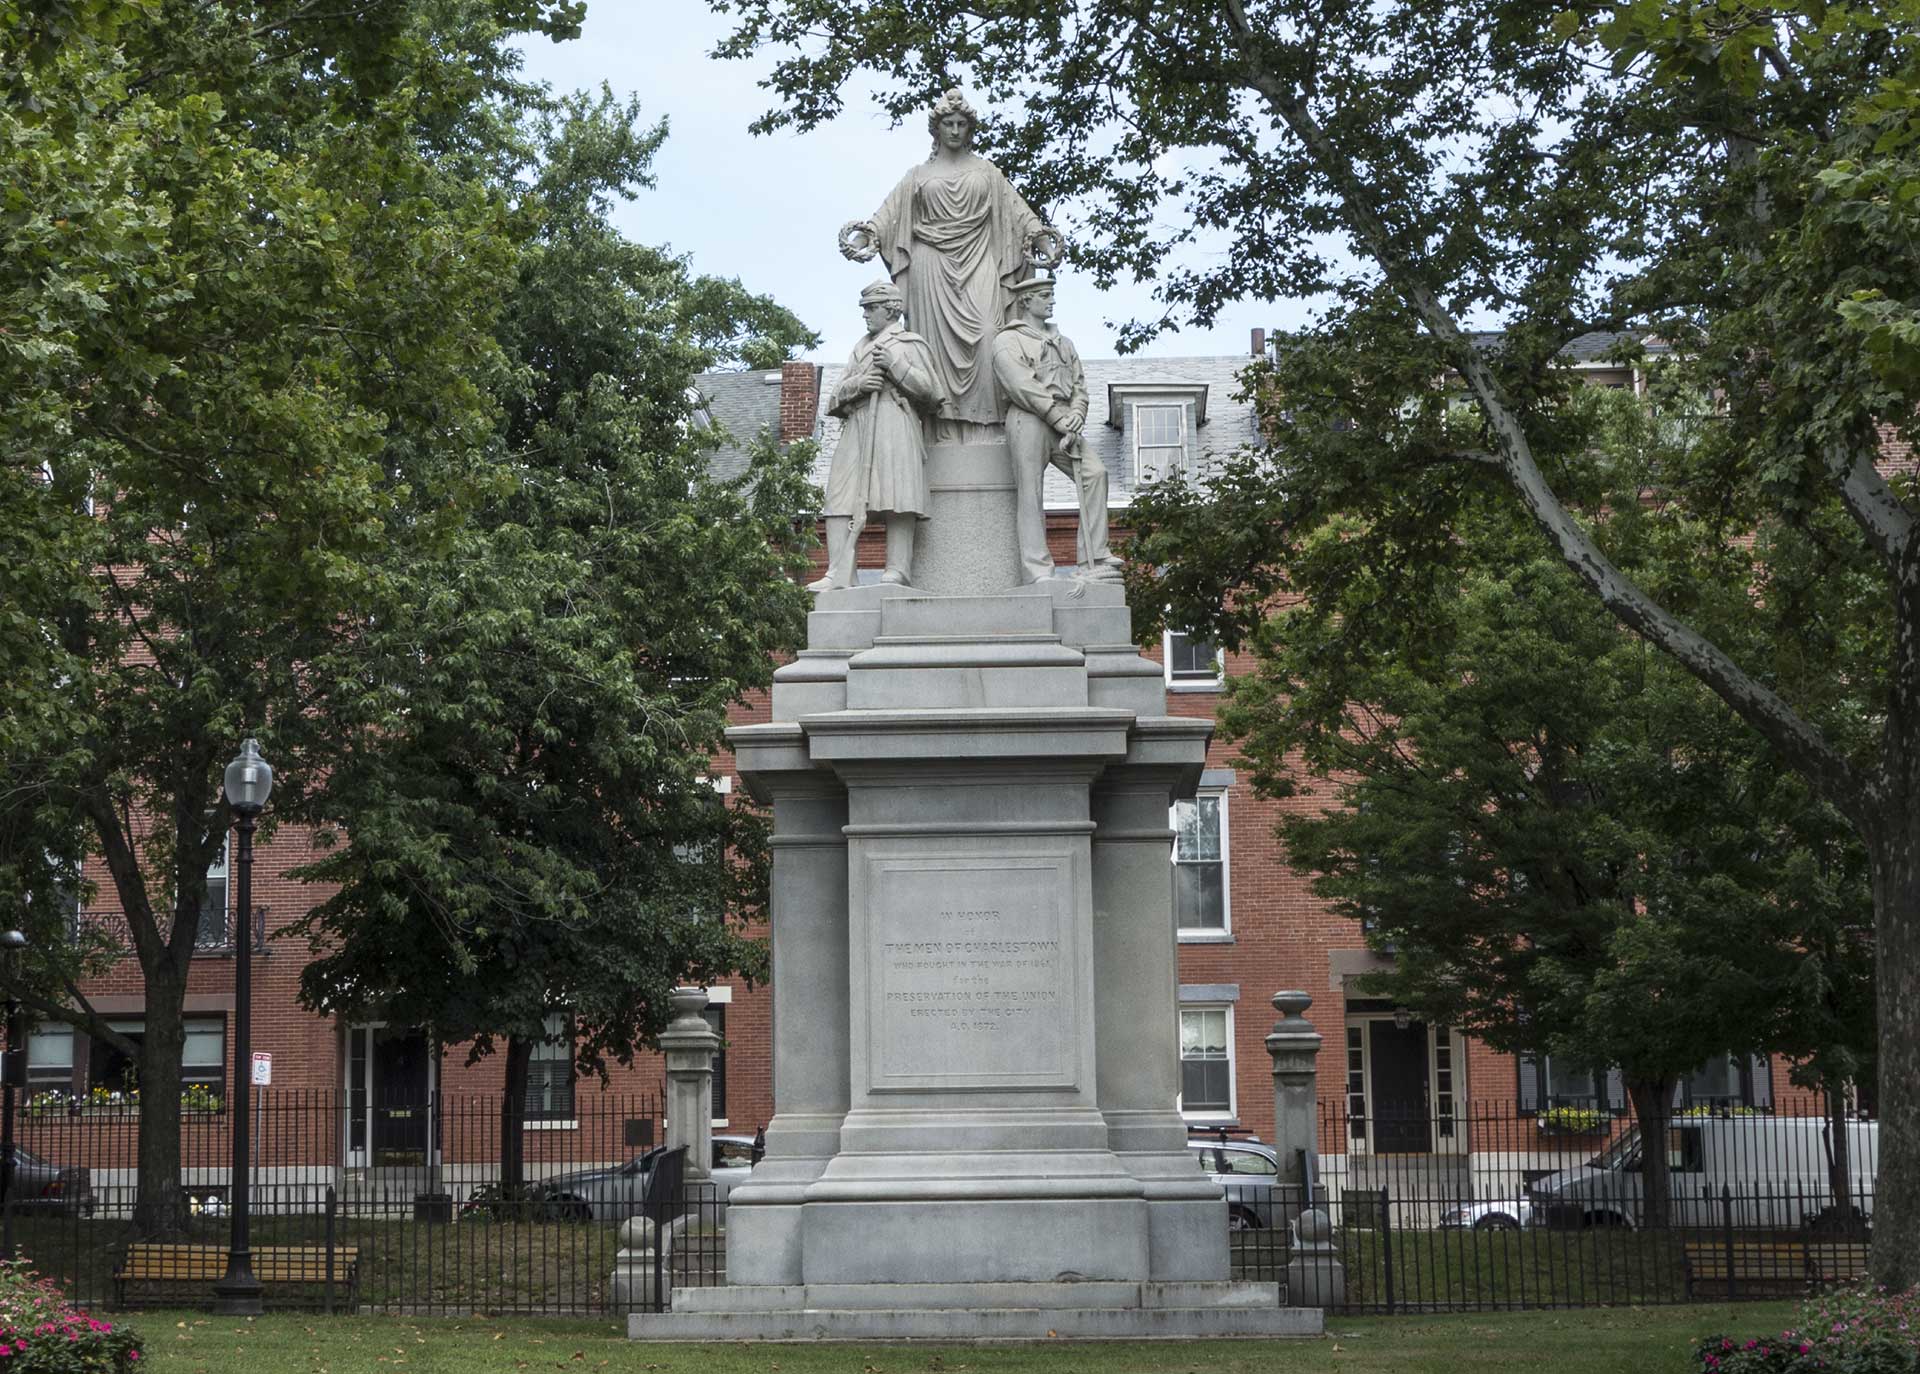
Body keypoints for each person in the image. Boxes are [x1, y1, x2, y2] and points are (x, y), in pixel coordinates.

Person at [839, 90, 1063, 442]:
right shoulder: (918, 175)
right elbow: (886, 217)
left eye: (961, 124)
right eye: (948, 124)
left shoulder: (988, 172)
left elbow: (1020, 215)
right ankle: (940, 431)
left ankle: (989, 430)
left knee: (991, 335)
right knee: (932, 348)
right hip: (932, 268)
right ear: (937, 129)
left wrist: (1042, 240)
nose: (955, 130)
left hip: (979, 262)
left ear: (970, 129)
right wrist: (865, 238)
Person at [808, 280, 944, 592]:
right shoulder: (859, 348)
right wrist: (860, 384)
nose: (865, 315)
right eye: (865, 308)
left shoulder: (909, 344)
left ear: (891, 309)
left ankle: (897, 569)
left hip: (894, 420)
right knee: (839, 496)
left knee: (896, 494)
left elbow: (932, 393)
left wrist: (895, 367)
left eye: (871, 308)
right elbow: (833, 399)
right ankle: (840, 573)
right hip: (858, 422)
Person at [991, 277, 1122, 584]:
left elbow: (1079, 386)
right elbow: (1021, 385)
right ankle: (1037, 571)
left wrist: (1076, 414)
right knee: (1031, 492)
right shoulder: (1008, 341)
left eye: (1051, 295)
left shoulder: (1064, 343)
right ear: (1026, 301)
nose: (1051, 301)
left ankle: (1094, 557)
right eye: (1045, 296)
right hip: (1029, 418)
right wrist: (1057, 416)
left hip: (1064, 421)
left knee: (1095, 473)